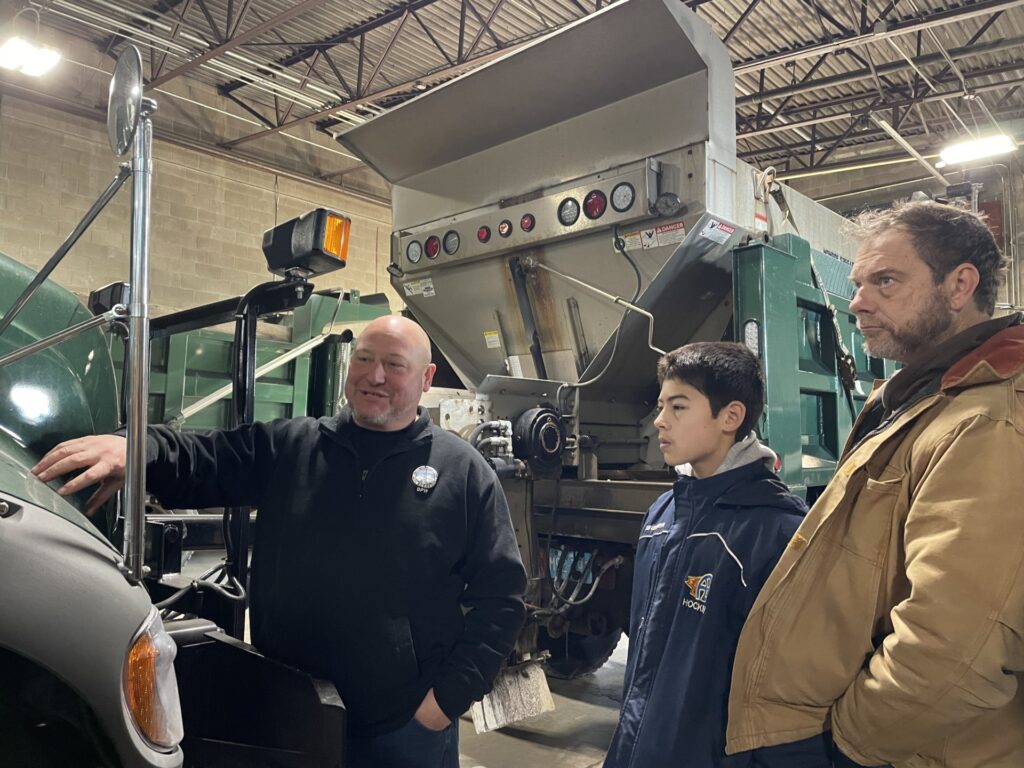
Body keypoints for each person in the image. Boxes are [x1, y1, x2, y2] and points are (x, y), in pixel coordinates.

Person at [32, 314, 528, 768]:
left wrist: (442, 704)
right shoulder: (293, 446)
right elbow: (207, 458)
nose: (375, 376)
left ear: (425, 379)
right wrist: (137, 447)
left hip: (401, 729)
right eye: (364, 359)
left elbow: (502, 599)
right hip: (291, 712)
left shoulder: (463, 473)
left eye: (394, 366)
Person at [725, 201, 1024, 768]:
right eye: (859, 283)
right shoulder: (925, 399)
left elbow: (956, 650)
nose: (858, 301)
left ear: (960, 285)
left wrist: (847, 742)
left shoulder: (988, 421)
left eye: (885, 281)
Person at [603, 342, 828, 768]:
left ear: (731, 417)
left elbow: (790, 692)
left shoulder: (775, 532)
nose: (659, 421)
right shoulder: (663, 513)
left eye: (679, 407)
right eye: (661, 405)